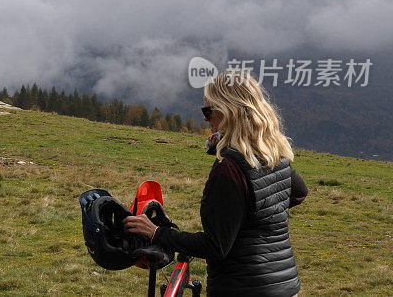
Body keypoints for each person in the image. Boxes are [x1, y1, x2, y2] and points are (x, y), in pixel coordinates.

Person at [124, 70, 308, 297]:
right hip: (286, 287)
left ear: (228, 110)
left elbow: (215, 247)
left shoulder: (230, 167)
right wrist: (256, 215)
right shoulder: (273, 154)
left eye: (208, 111)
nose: (204, 118)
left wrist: (156, 233)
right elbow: (299, 192)